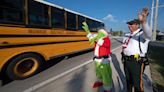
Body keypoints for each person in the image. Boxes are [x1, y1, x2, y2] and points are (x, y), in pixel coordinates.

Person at [121, 7, 152, 92]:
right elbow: (125, 46)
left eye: (131, 24)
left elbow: (149, 34)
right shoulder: (127, 35)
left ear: (137, 25)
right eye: (128, 24)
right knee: (128, 82)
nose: (129, 25)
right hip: (126, 61)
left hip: (136, 62)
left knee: (137, 83)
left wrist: (144, 21)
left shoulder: (141, 34)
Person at [82, 22, 112, 92]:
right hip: (97, 60)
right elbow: (91, 38)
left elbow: (102, 43)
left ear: (104, 34)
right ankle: (100, 82)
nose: (98, 34)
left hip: (104, 61)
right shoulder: (98, 38)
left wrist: (96, 38)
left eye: (100, 33)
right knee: (98, 73)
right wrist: (87, 31)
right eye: (98, 33)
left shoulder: (106, 39)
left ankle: (107, 88)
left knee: (105, 75)